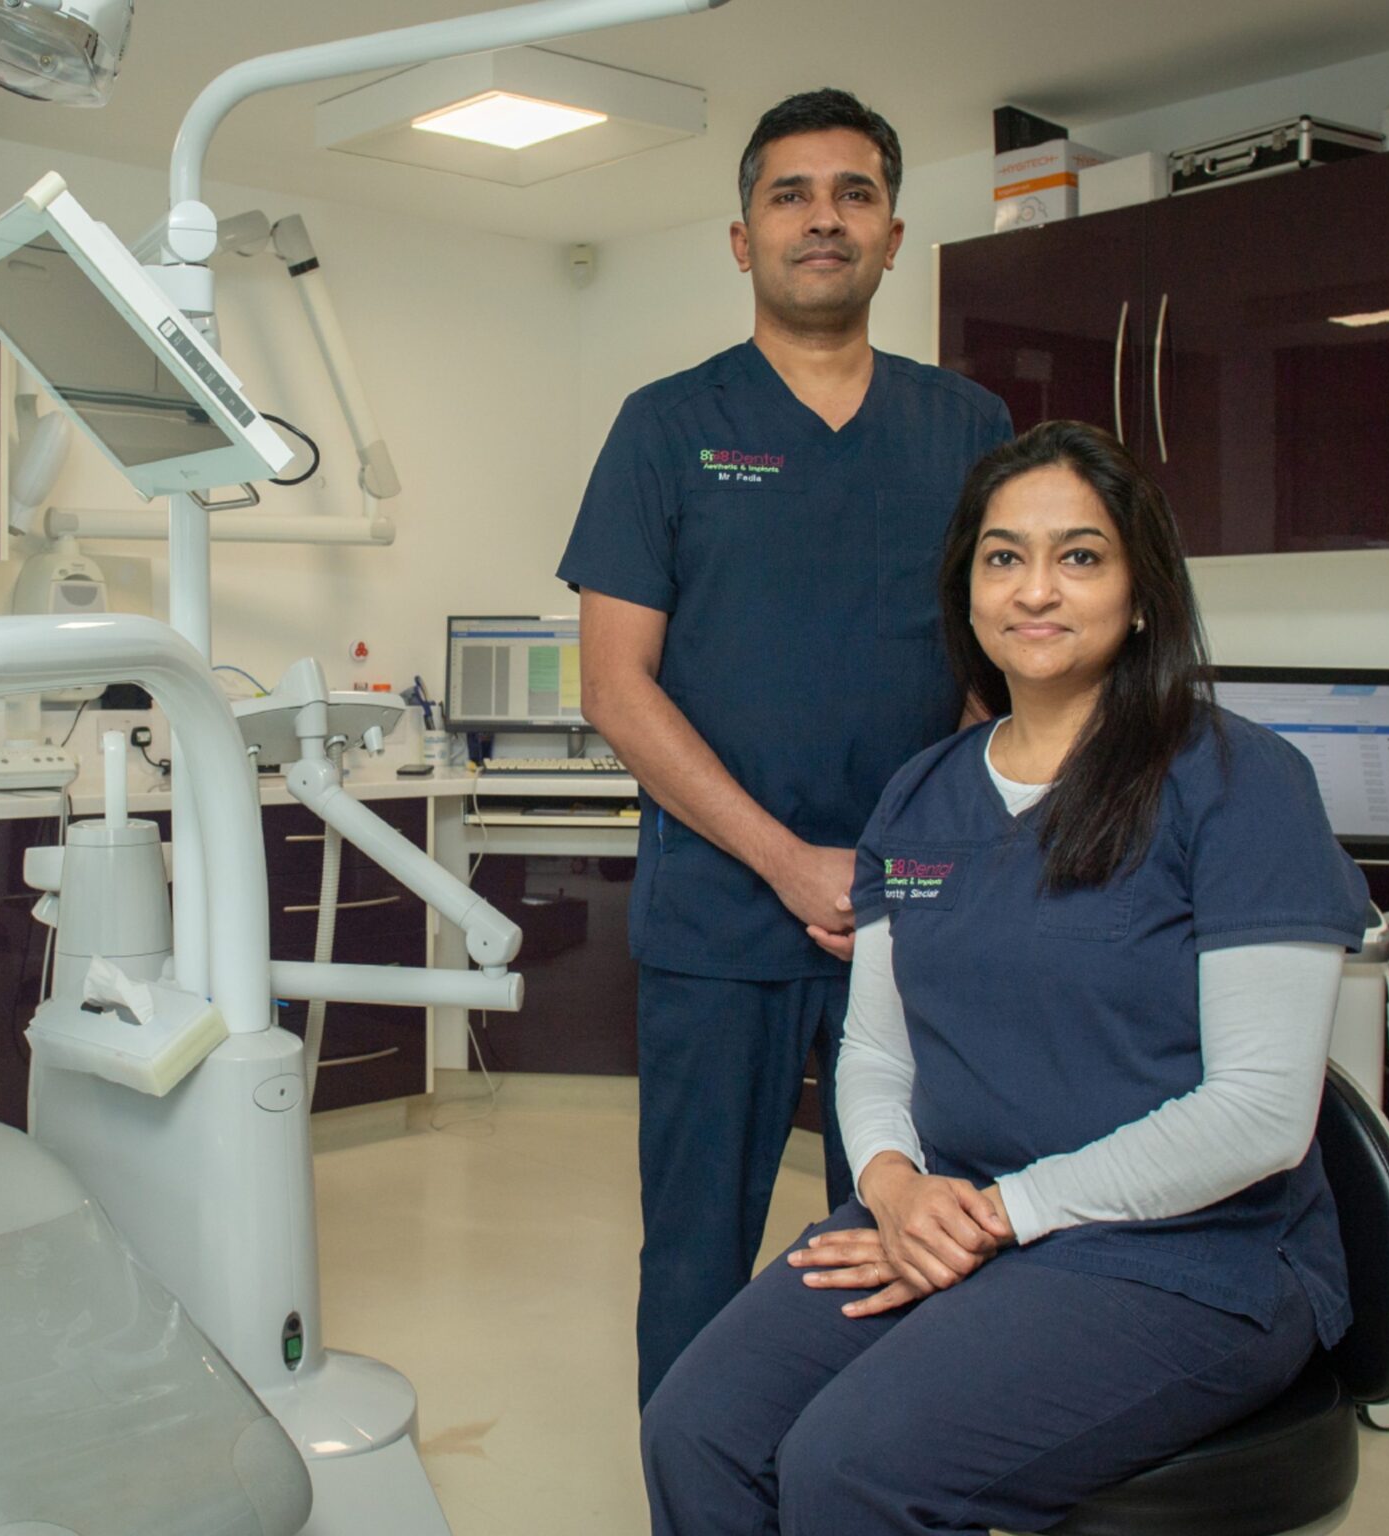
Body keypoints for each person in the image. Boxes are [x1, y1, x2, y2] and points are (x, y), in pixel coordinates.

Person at [640, 420, 1371, 1535]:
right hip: (947, 1213)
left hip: (1184, 1255)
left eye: (1079, 555)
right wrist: (890, 1187)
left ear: (1140, 592)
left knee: (851, 1465)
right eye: (1002, 556)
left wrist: (1000, 1214)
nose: (1036, 589)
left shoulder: (1241, 784)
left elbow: (1262, 1116)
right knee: (696, 1426)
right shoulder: (921, 797)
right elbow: (878, 1050)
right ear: (967, 593)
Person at [560, 87, 1012, 1406]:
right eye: (792, 195)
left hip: (918, 917)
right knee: (696, 1256)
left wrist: (926, 860)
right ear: (743, 238)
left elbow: (1005, 673)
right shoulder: (666, 426)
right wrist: (788, 862)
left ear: (893, 233)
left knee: (900, 1246)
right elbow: (614, 685)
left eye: (854, 193)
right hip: (719, 920)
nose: (825, 218)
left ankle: (863, 1486)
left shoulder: (969, 431)